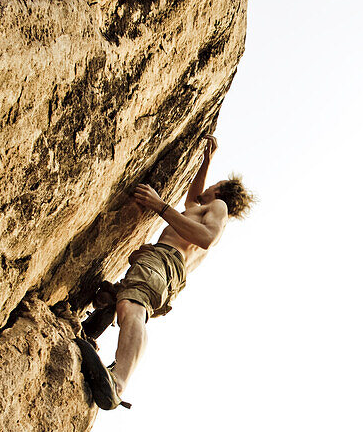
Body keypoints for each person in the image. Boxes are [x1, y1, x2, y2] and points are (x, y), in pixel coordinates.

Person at [75, 135, 254, 410]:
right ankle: (92, 333)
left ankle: (118, 381)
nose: (208, 187)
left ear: (220, 191)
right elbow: (193, 198)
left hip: (165, 262)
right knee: (117, 298)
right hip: (167, 270)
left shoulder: (219, 207)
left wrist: (160, 206)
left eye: (214, 184)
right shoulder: (200, 208)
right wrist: (206, 162)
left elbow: (206, 236)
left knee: (132, 305)